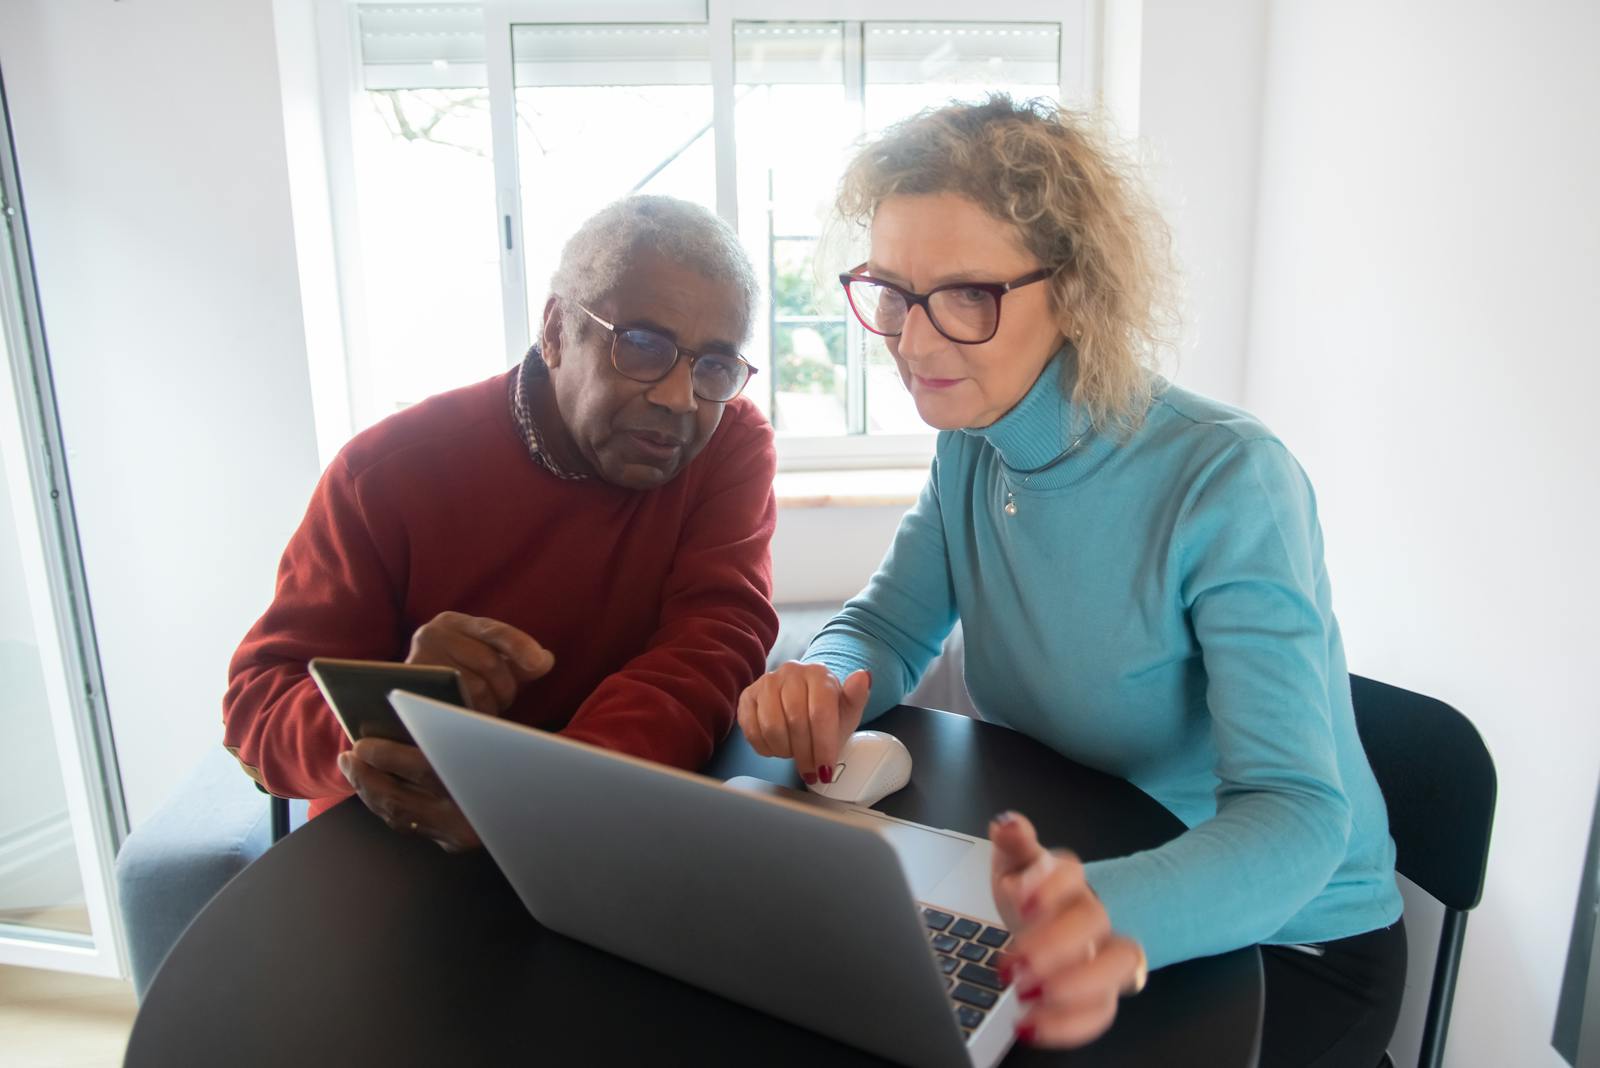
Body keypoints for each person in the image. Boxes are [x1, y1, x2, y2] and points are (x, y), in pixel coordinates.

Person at [736, 97, 1405, 1065]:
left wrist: (1103, 910)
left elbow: (1297, 815)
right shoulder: (972, 443)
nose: (913, 345)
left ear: (1077, 290)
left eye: (966, 295)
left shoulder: (1226, 480)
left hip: (1286, 940)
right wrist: (820, 679)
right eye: (890, 291)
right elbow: (886, 623)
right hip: (1072, 886)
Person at [224, 195, 780, 853]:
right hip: (402, 848)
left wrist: (538, 800)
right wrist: (392, 709)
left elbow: (714, 641)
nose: (678, 398)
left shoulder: (728, 442)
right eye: (641, 346)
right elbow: (256, 712)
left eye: (714, 364)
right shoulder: (388, 474)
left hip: (597, 813)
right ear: (554, 332)